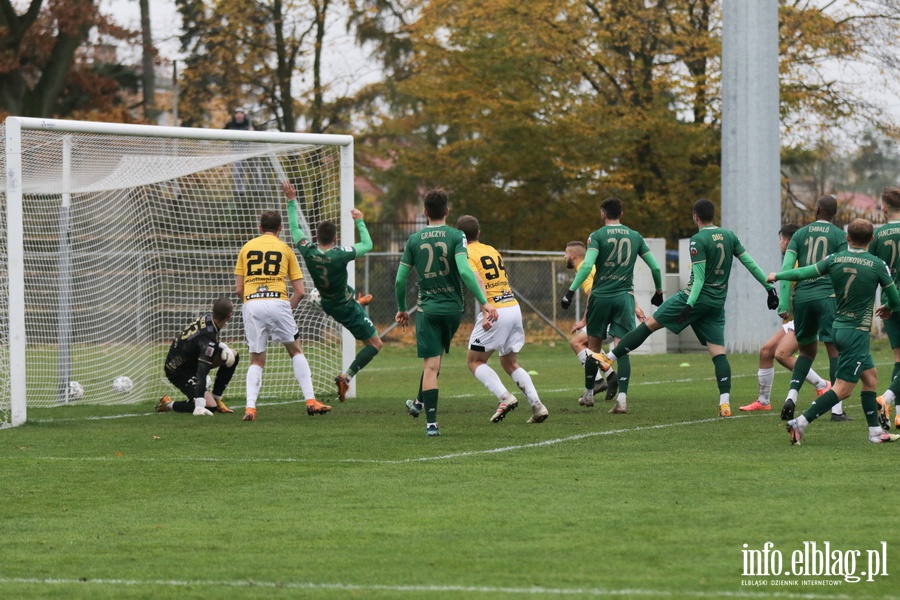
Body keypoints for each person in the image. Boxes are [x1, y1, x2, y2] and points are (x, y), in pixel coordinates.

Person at [589, 199, 778, 417]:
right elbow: (750, 263)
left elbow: (698, 279)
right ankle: (725, 403)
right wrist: (768, 288)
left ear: (695, 216)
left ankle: (608, 358)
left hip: (692, 298)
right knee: (718, 352)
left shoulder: (698, 240)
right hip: (716, 303)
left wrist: (688, 304)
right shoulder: (730, 236)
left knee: (650, 324)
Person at [770, 218, 900, 445]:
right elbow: (895, 299)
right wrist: (888, 308)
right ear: (871, 239)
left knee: (870, 378)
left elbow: (805, 273)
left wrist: (778, 275)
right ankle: (799, 423)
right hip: (856, 332)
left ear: (848, 238)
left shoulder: (833, 259)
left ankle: (875, 432)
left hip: (839, 327)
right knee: (843, 389)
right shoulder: (877, 264)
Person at [394, 189, 498, 437]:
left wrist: (401, 308)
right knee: (436, 358)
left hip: (428, 309)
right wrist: (483, 302)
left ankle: (431, 423)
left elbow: (400, 280)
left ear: (425, 212)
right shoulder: (457, 236)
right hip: (453, 310)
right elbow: (464, 272)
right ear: (447, 212)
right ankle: (418, 403)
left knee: (431, 366)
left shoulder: (414, 239)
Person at [561, 197, 664, 415]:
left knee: (593, 349)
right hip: (624, 297)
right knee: (621, 348)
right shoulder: (635, 236)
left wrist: (570, 291)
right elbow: (655, 267)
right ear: (622, 214)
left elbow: (587, 264)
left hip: (600, 297)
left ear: (602, 213)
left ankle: (589, 394)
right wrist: (659, 291)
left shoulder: (597, 236)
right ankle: (622, 401)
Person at [234, 200, 332, 421]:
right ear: (280, 229)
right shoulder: (286, 249)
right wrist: (285, 309)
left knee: (256, 358)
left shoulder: (246, 247)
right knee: (295, 350)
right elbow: (300, 291)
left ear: (260, 228)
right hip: (278, 301)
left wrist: (252, 303)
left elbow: (238, 288)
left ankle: (250, 408)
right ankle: (310, 400)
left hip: (252, 303)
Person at [284, 181, 382, 402]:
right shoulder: (340, 254)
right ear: (335, 239)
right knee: (375, 344)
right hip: (344, 307)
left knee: (340, 289)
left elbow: (295, 229)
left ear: (316, 238)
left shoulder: (308, 250)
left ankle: (353, 301)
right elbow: (367, 245)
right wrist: (360, 221)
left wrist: (291, 200)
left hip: (328, 300)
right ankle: (346, 378)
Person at [456, 215, 548, 424]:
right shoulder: (491, 249)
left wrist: (485, 307)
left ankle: (505, 397)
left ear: (460, 236)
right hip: (512, 306)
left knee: (474, 361)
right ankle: (537, 406)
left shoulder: (465, 253)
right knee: (509, 362)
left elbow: (477, 278)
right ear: (478, 233)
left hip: (495, 309)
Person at [740, 224, 831, 411]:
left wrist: (782, 305)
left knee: (782, 354)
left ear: (787, 240)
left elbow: (787, 281)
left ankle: (822, 385)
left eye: (780, 240)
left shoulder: (795, 258)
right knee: (766, 351)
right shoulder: (805, 256)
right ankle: (763, 401)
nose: (779, 244)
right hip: (801, 313)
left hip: (808, 312)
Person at [778, 195, 849, 422]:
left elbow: (787, 268)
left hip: (803, 298)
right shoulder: (839, 236)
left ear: (817, 209)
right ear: (834, 214)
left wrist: (783, 302)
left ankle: (792, 396)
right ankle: (836, 410)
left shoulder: (799, 234)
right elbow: (844, 271)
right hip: (828, 297)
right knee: (834, 351)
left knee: (806, 352)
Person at [156, 297, 240, 416]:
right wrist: (200, 403)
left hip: (190, 360)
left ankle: (217, 398)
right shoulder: (208, 336)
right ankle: (167, 404)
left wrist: (224, 347)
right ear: (230, 315)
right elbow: (202, 370)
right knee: (210, 407)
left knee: (232, 355)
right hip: (178, 371)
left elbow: (201, 341)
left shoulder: (208, 318)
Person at [871, 188, 900, 430]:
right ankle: (887, 398)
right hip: (894, 303)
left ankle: (899, 413)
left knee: (899, 358)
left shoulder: (878, 235)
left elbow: (870, 270)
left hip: (889, 305)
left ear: (885, 208)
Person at [564, 241, 605, 395]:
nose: (564, 256)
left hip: (602, 313)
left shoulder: (584, 268)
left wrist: (583, 321)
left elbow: (592, 295)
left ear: (573, 256)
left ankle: (599, 380)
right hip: (609, 310)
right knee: (593, 346)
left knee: (577, 342)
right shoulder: (591, 266)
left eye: (566, 253)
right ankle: (607, 378)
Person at [224, 106, 255, 195]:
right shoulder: (230, 124)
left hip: (249, 150)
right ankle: (239, 189)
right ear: (235, 115)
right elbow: (224, 131)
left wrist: (252, 131)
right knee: (238, 170)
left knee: (254, 169)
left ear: (243, 115)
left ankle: (257, 188)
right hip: (236, 150)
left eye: (241, 113)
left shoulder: (248, 123)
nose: (239, 115)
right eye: (237, 113)